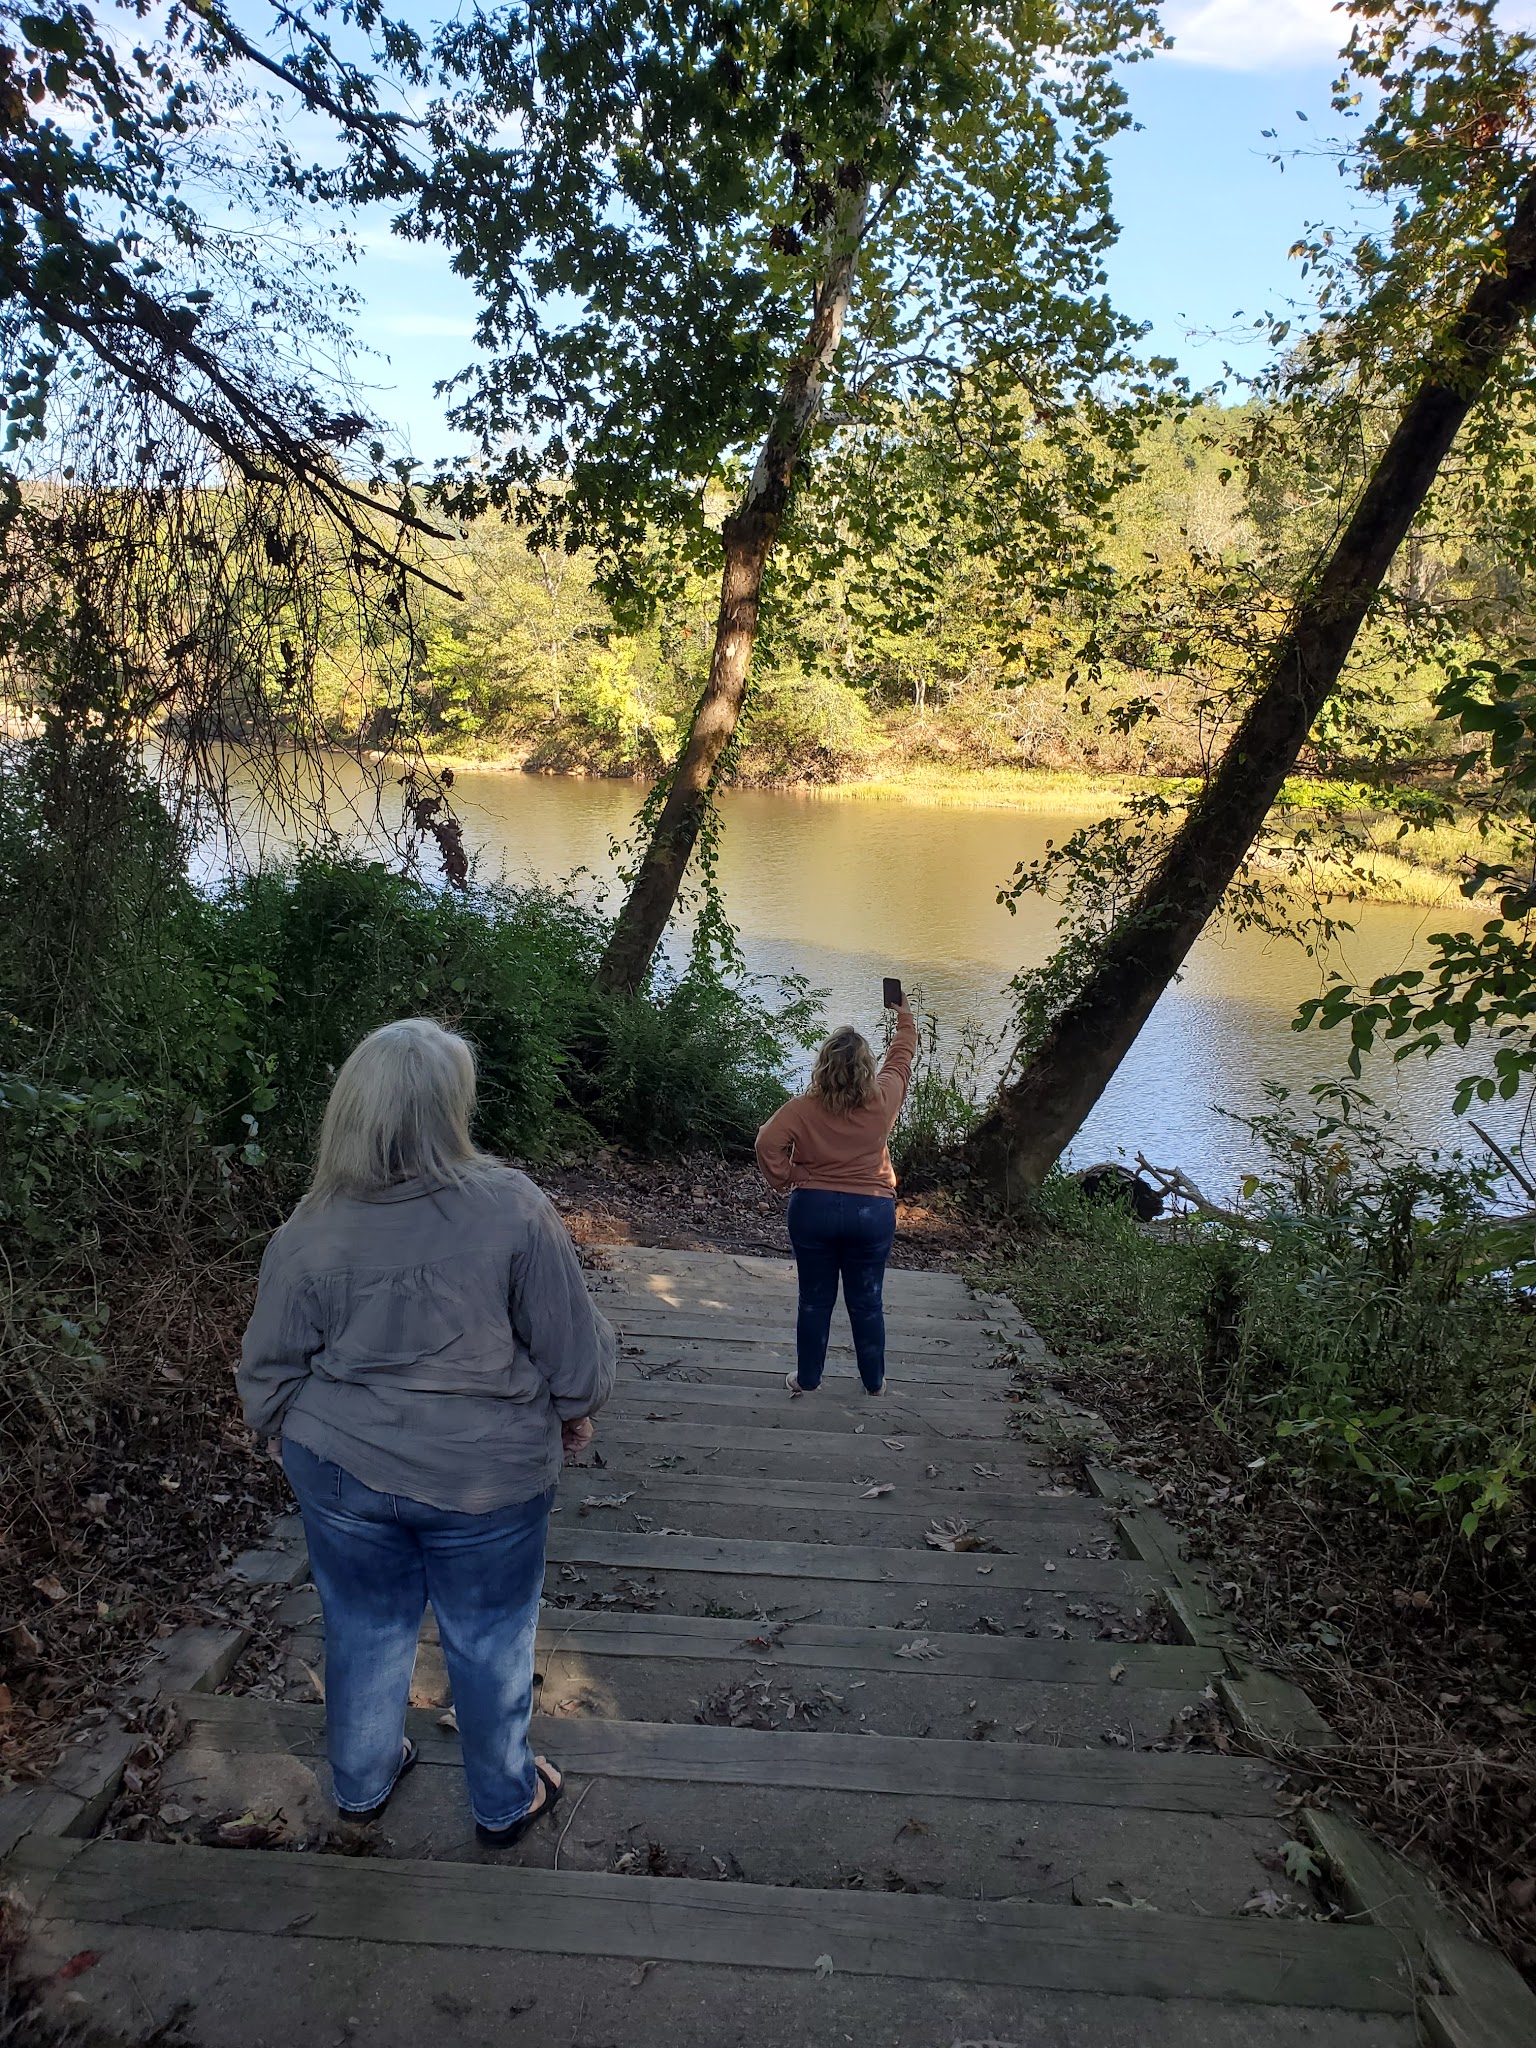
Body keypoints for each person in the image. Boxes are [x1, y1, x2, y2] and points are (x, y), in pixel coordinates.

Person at [238, 1017, 614, 1847]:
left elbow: (267, 1364)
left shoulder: (312, 1223)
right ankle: (503, 1798)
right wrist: (574, 1407)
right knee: (488, 1641)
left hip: (341, 1469)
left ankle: (362, 1781)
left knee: (363, 1624)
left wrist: (276, 1429)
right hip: (487, 1478)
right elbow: (572, 1351)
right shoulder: (513, 1208)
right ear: (451, 1109)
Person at [754, 989, 918, 1397]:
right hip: (871, 1212)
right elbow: (901, 1058)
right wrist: (905, 1017)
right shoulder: (883, 1100)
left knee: (814, 1300)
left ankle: (808, 1379)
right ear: (866, 1068)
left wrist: (787, 1176)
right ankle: (874, 1382)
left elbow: (765, 1143)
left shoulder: (802, 1107)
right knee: (867, 1302)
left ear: (822, 1065)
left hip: (814, 1210)